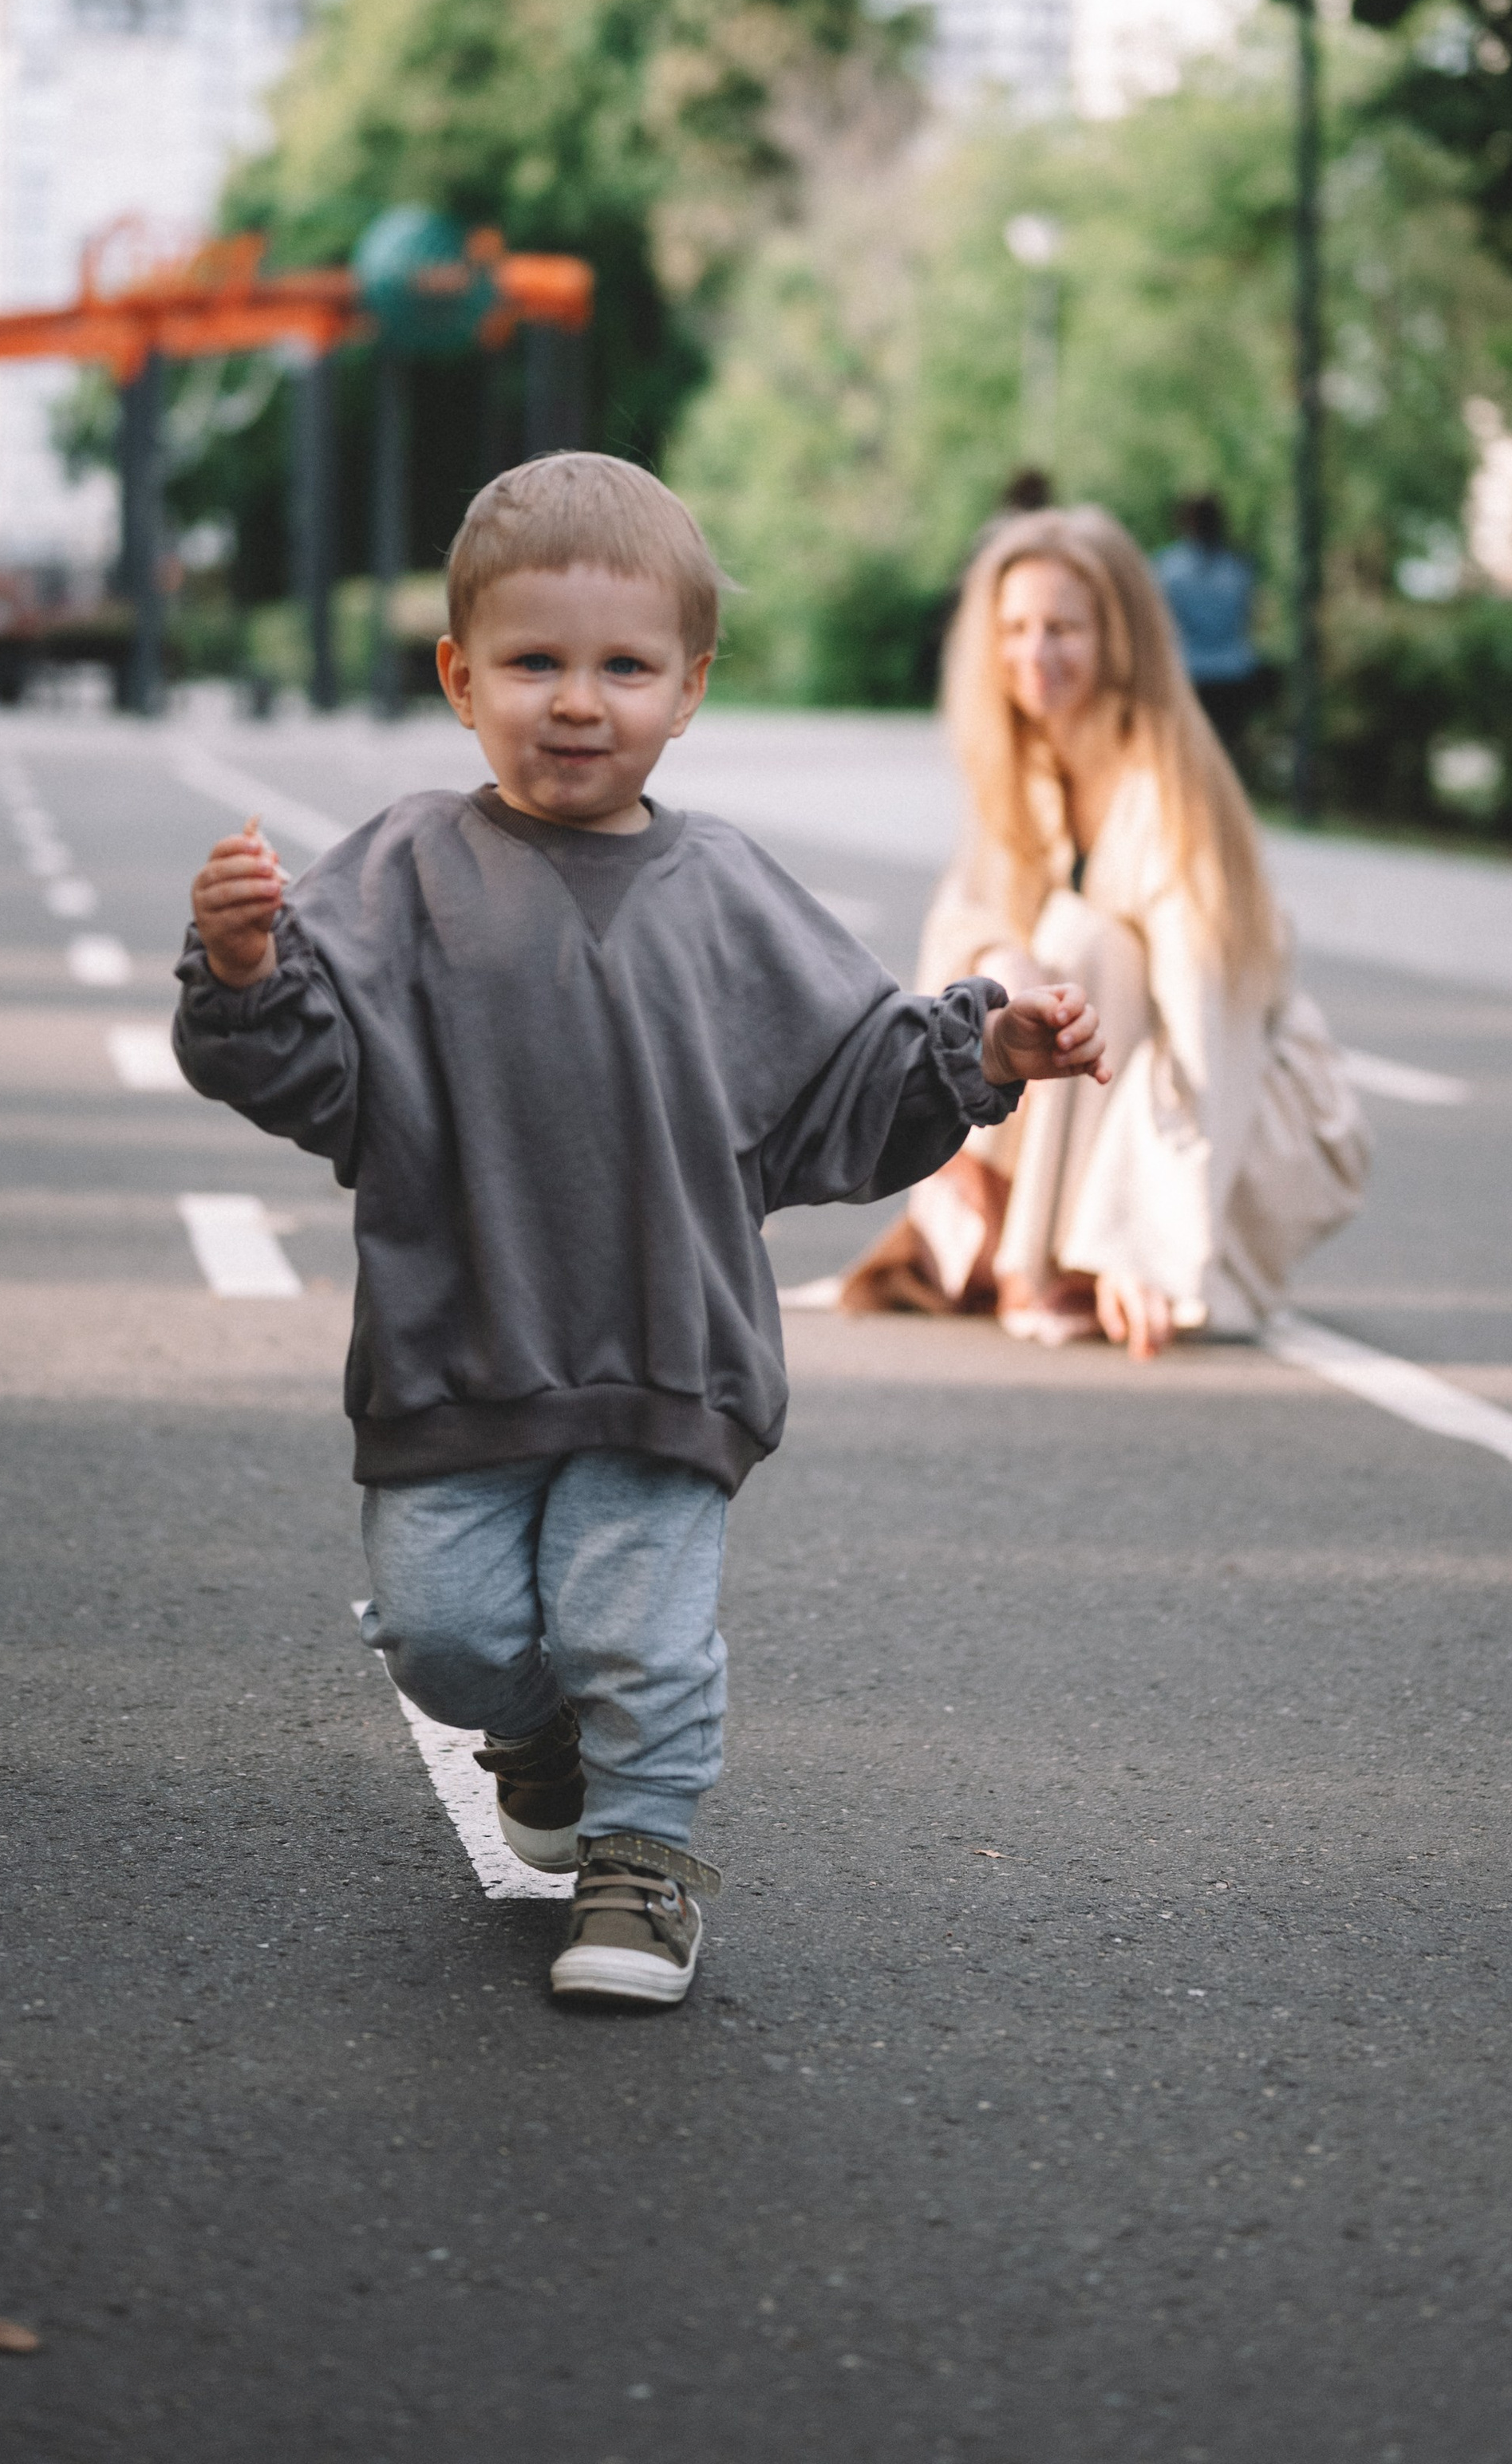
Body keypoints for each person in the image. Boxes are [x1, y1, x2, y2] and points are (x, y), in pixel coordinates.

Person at [173, 454, 1107, 2010]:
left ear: (688, 690)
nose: (578, 702)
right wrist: (247, 967)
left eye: (624, 667)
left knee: (637, 1629)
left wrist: (981, 1050)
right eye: (533, 664)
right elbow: (307, 1072)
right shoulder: (398, 871)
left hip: (668, 1352)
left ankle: (644, 1858)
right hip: (454, 1344)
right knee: (444, 1637)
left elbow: (851, 1075)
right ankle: (526, 1725)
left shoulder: (726, 887)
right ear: (459, 677)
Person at [839, 503, 1368, 1356]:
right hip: (1107, 1078)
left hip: (1231, 1096)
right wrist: (946, 1151)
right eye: (1014, 628)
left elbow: (1208, 1034)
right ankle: (1025, 1246)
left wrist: (1147, 1244)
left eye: (1062, 628)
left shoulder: (1169, 782)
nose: (1033, 655)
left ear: (1117, 636)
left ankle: (1050, 1263)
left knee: (1091, 947)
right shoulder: (1019, 762)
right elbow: (954, 943)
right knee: (1009, 957)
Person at [1153, 493, 1268, 769]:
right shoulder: (1238, 568)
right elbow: (1247, 617)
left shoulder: (1167, 568)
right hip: (1231, 671)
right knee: (1225, 755)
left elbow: (1161, 623)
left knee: (1187, 754)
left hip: (1188, 669)